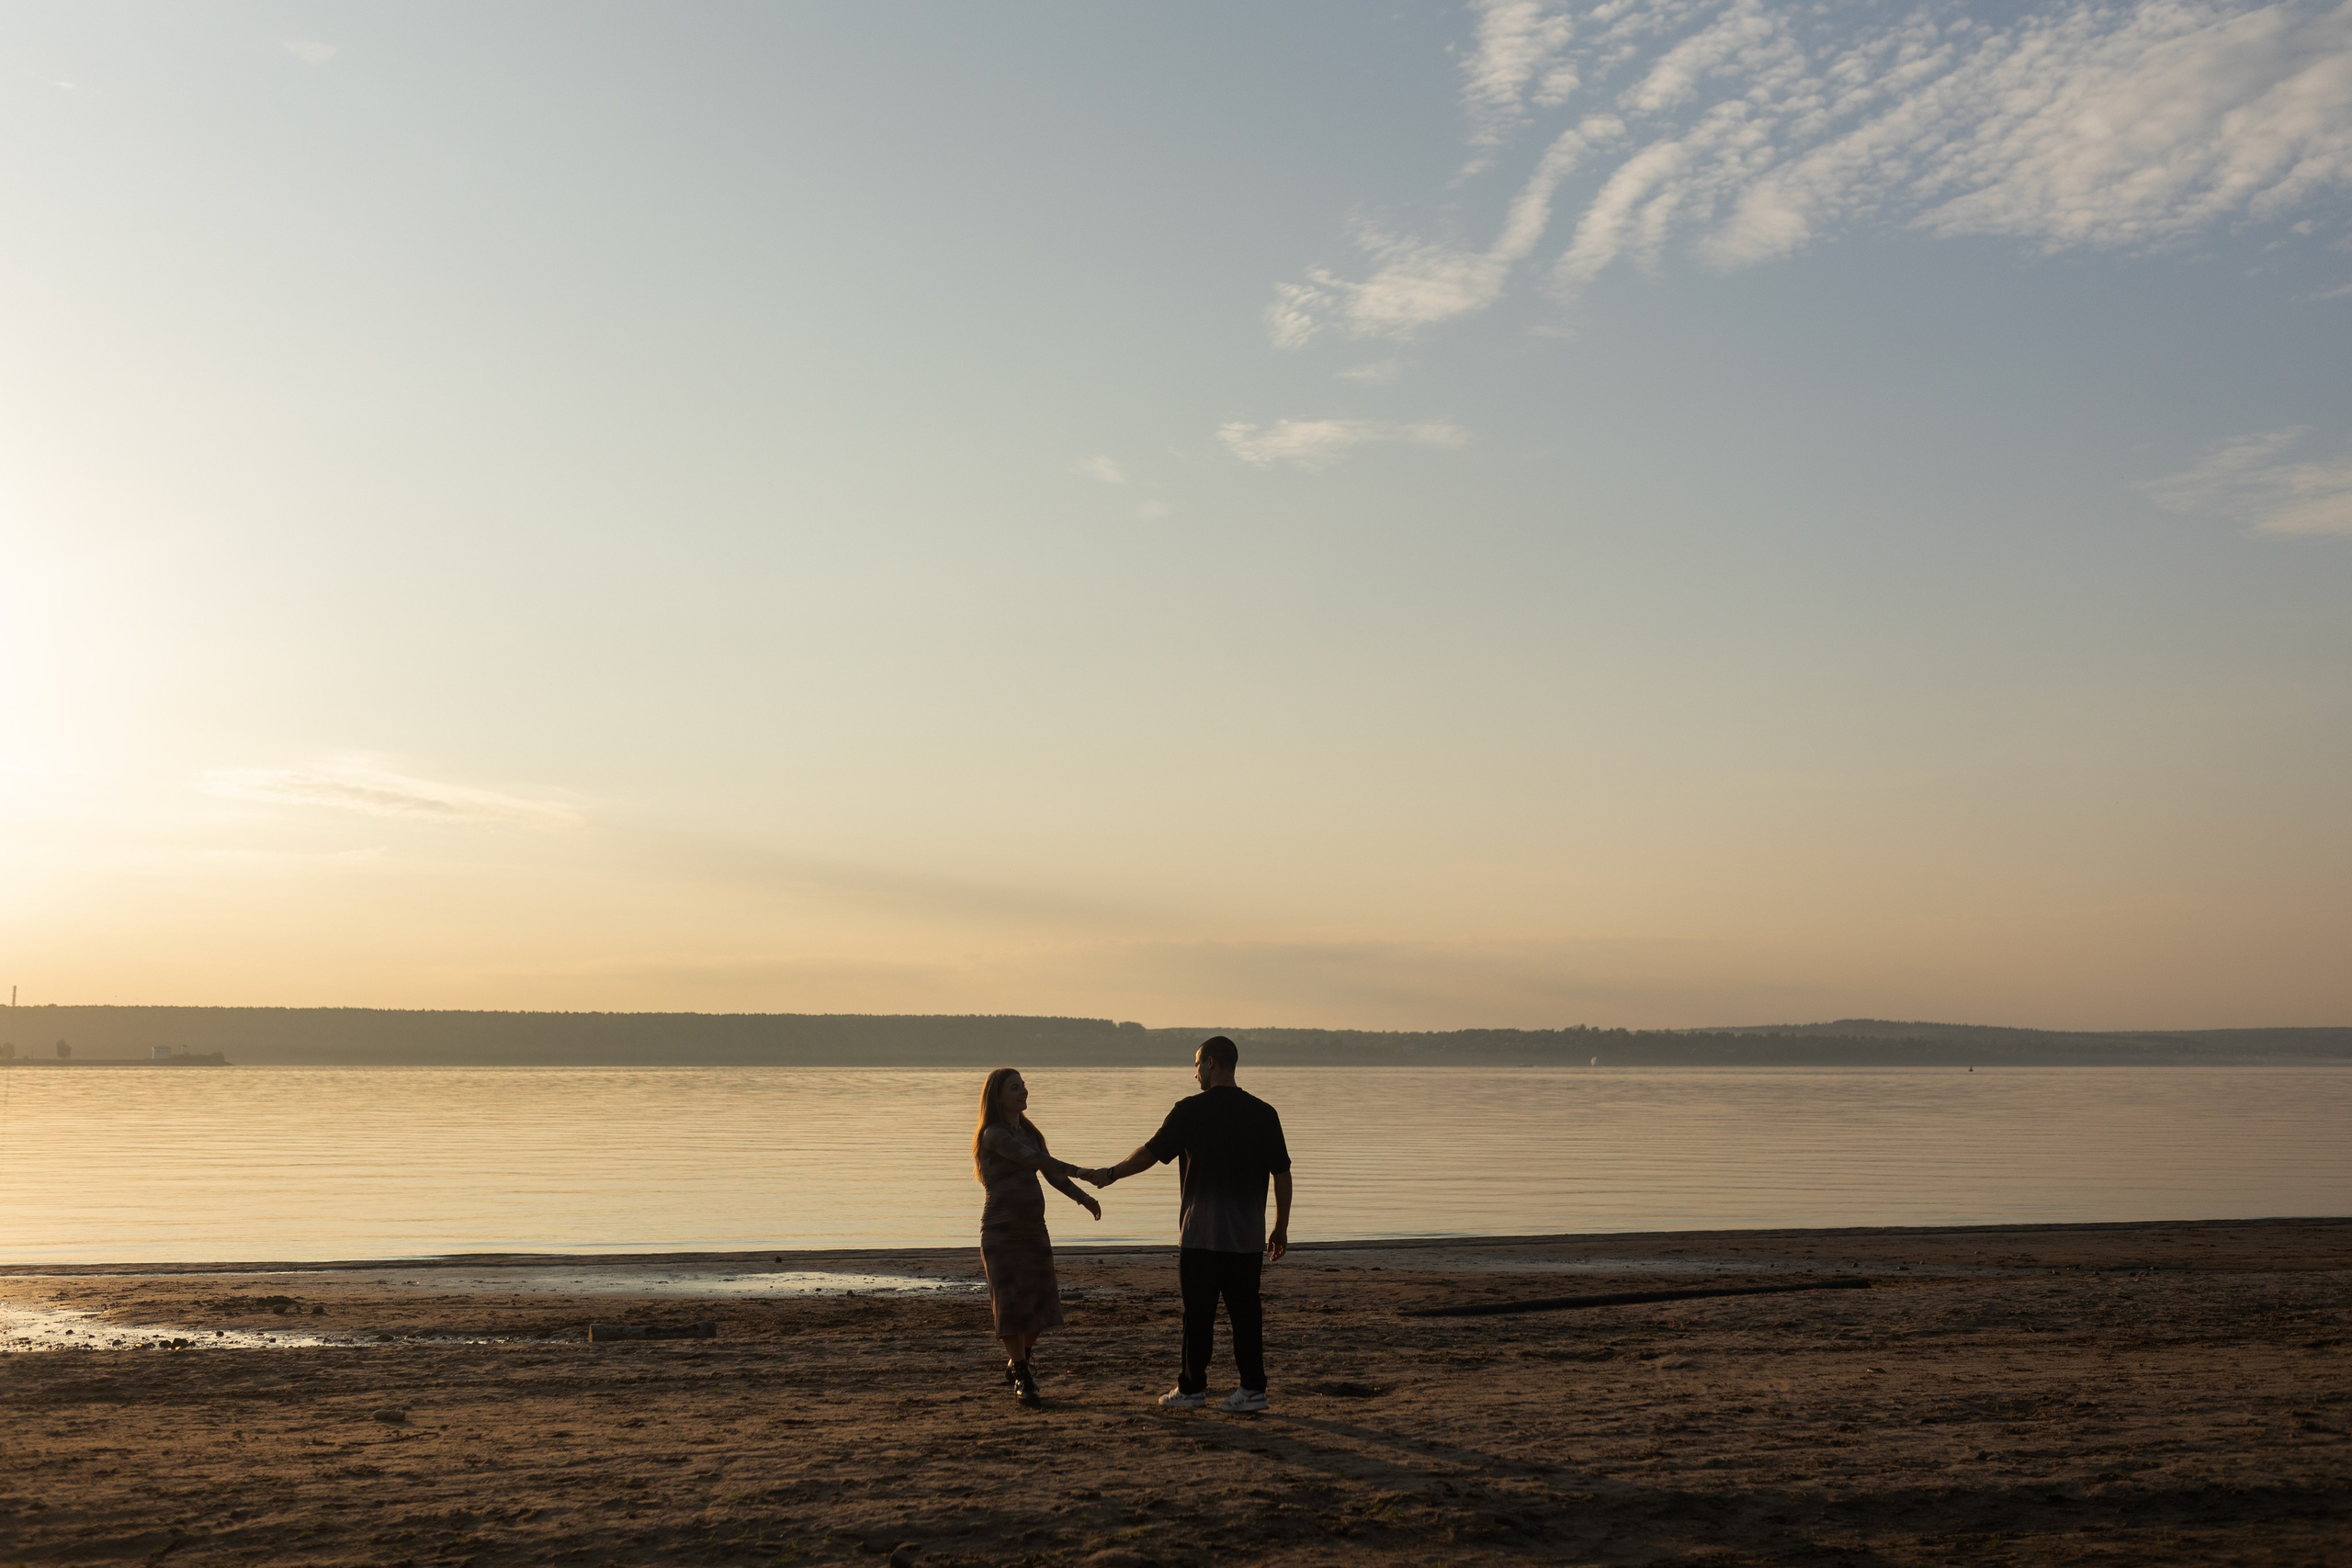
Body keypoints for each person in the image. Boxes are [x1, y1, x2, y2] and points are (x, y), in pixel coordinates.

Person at [1082, 1035, 1291, 1413]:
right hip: (1246, 1238)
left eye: (1196, 1065)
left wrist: (1110, 1174)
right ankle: (1252, 1389)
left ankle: (1193, 1389)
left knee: (1198, 1315)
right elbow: (1283, 1174)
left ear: (1211, 1063)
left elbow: (1149, 1153)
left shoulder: (1190, 1110)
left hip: (1200, 1235)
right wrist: (1281, 1226)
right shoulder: (1264, 1113)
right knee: (1246, 1314)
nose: (1195, 1073)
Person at [974, 1066, 1101, 1407]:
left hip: (1034, 1229)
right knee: (1011, 1305)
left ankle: (1019, 1361)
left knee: (1042, 1304)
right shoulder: (993, 1135)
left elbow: (1049, 1173)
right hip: (1001, 1231)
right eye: (1015, 1088)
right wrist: (1082, 1171)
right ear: (998, 1096)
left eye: (1024, 1086)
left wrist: (1082, 1197)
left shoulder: (1031, 1133)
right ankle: (1024, 1375)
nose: (1023, 1091)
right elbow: (1032, 1160)